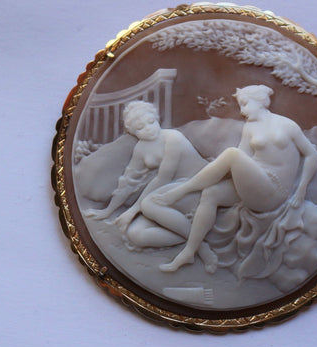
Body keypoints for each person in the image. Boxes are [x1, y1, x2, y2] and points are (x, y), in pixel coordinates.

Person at [153, 84, 317, 272]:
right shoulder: (250, 128)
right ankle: (189, 252)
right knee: (211, 193)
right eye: (241, 105)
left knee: (231, 154)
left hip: (274, 190)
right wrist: (217, 167)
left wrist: (301, 190)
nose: (242, 111)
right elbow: (243, 155)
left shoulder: (287, 125)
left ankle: (180, 191)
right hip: (255, 183)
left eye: (245, 104)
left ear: (260, 102)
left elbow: (312, 154)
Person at [83, 100, 218, 270]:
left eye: (151, 121)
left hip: (196, 187)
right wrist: (107, 211)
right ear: (132, 132)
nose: (148, 128)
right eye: (140, 128)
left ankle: (201, 248)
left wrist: (132, 211)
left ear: (156, 118)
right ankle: (193, 236)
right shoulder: (141, 149)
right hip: (170, 195)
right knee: (137, 235)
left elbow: (164, 177)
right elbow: (128, 181)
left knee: (148, 204)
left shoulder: (173, 138)